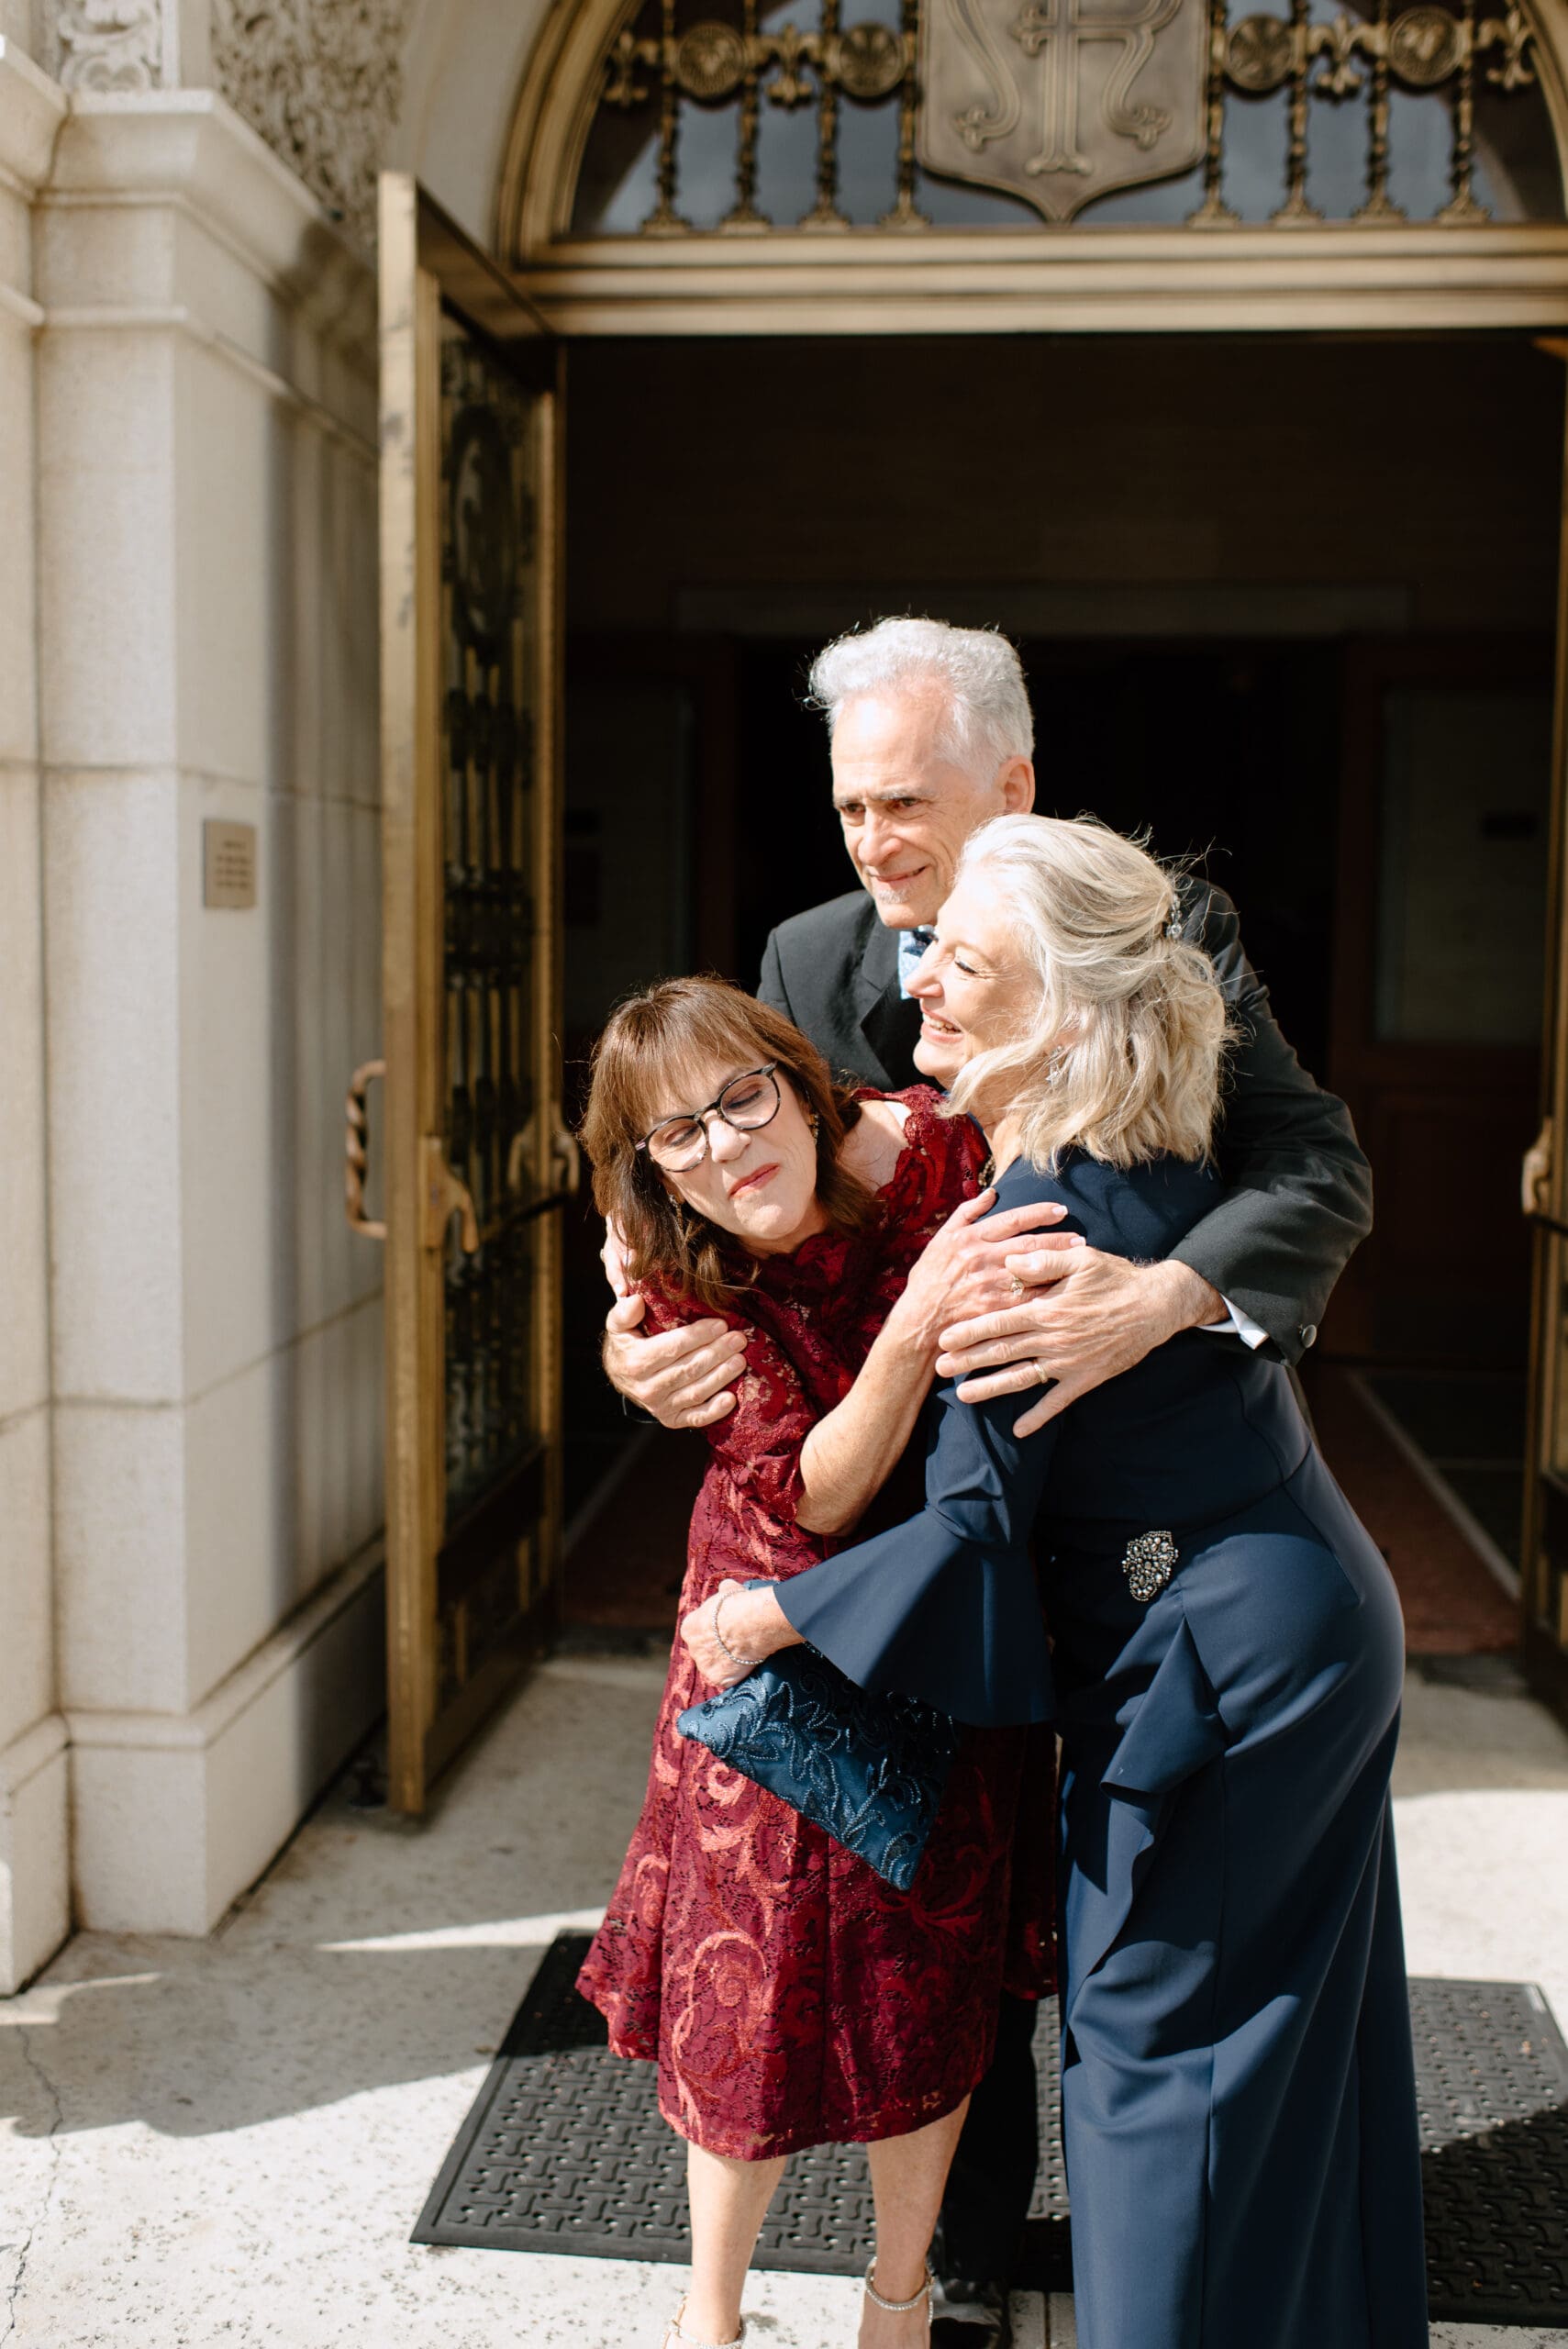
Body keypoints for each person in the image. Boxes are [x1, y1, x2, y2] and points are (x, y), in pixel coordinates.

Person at [602, 618, 1374, 2347]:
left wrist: (1159, 1300)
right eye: (848, 808)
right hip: (891, 1528)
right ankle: (942, 2278)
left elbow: (1309, 1160)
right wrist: (624, 1330)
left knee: (1058, 1945)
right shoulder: (804, 957)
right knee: (900, 1934)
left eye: (906, 807)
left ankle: (1082, 2278)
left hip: (1075, 1534)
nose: (875, 853)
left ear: (1011, 788)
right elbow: (691, 1159)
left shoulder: (1140, 932)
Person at [574, 977, 1058, 2349]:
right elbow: (813, 1495)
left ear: (801, 1080)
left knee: (931, 1974)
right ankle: (709, 2318)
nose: (727, 1148)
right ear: (647, 1166)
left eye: (743, 1099)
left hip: (944, 1611)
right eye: (678, 1135)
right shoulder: (678, 1277)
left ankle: (895, 2302)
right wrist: (912, 1330)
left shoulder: (944, 1152)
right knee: (748, 1978)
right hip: (762, 1631)